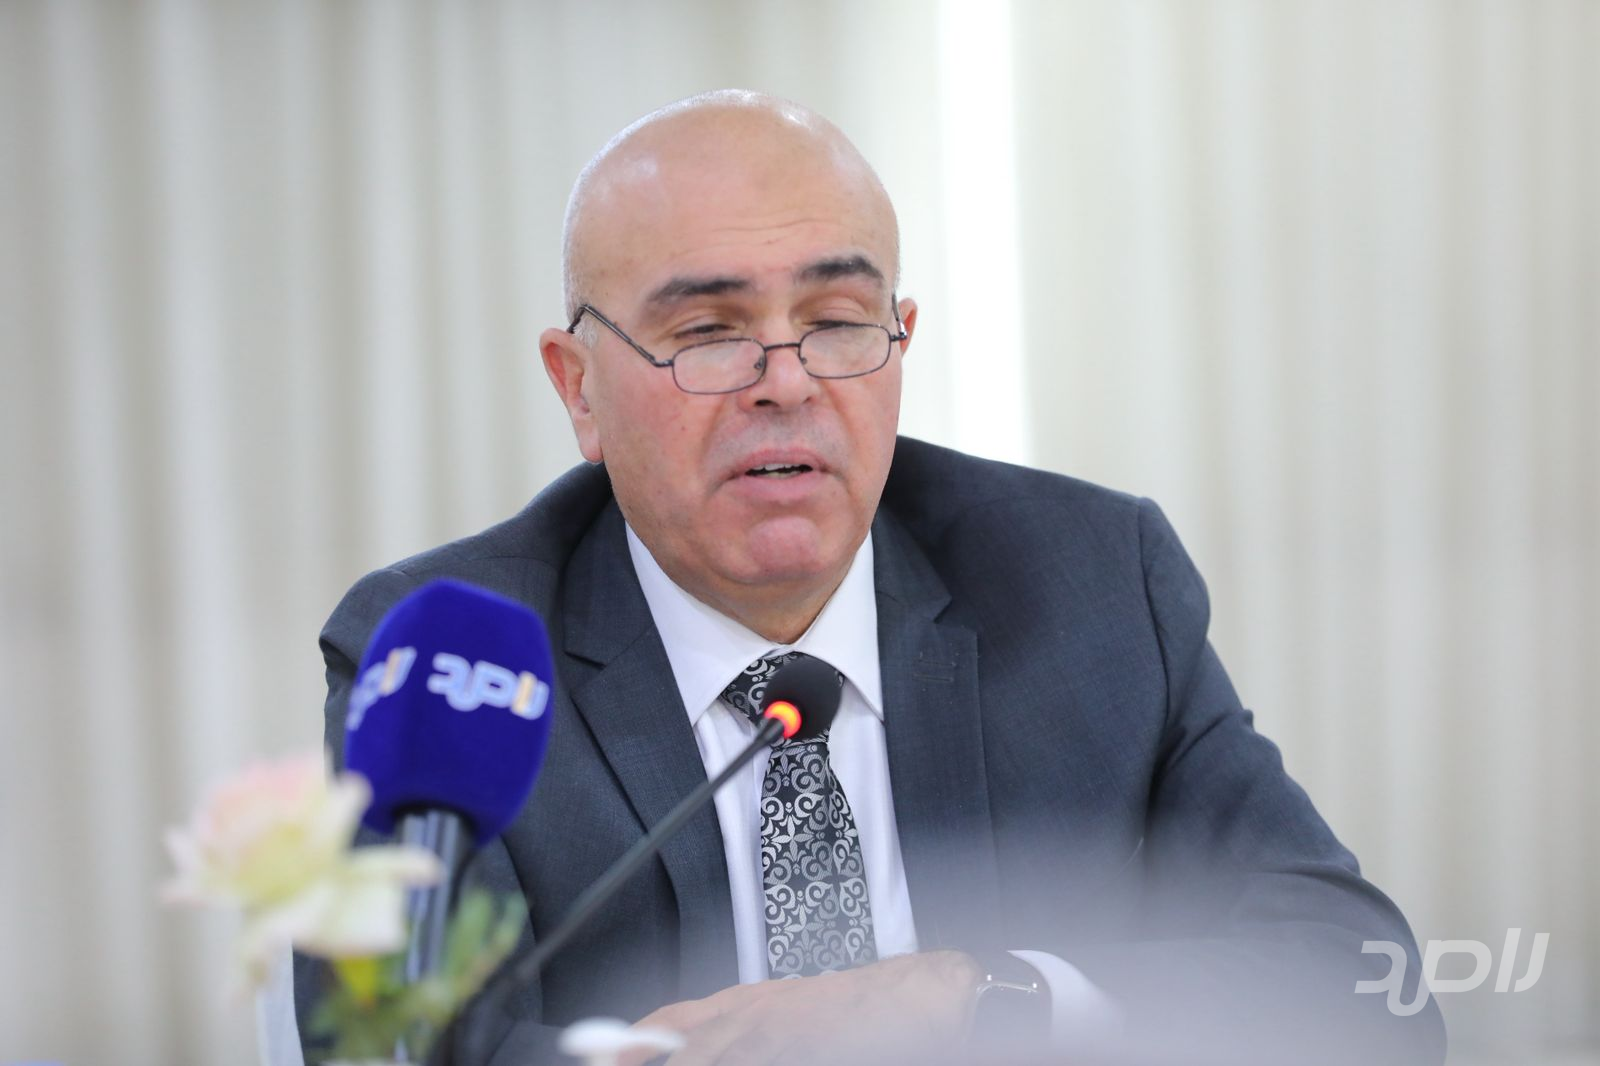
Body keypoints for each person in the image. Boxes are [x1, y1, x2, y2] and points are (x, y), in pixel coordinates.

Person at [299, 90, 1445, 1065]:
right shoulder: (450, 663)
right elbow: (390, 1042)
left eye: (838, 320)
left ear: (901, 340)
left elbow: (1359, 987)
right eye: (708, 331)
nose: (785, 381)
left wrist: (975, 993)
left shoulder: (1090, 582)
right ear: (578, 387)